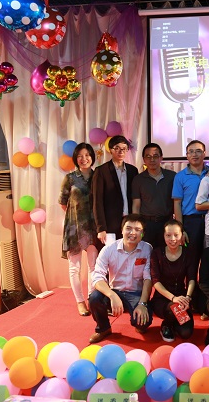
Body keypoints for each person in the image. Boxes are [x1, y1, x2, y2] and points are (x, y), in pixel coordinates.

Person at [87, 214, 153, 343]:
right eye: (128, 228)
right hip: (115, 290)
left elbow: (148, 278)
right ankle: (103, 328)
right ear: (121, 230)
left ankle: (137, 321)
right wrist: (112, 295)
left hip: (135, 293)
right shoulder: (108, 249)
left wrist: (142, 303)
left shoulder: (147, 249)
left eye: (137, 229)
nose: (132, 233)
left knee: (143, 323)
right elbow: (97, 276)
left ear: (143, 234)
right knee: (94, 298)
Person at [59, 142, 98, 317]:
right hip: (74, 227)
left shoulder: (98, 176)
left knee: (93, 266)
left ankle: (92, 298)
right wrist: (76, 217)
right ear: (76, 158)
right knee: (74, 267)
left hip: (94, 228)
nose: (84, 159)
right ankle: (80, 301)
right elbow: (63, 202)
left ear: (92, 157)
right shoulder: (70, 178)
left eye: (87, 155)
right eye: (80, 156)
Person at [150, 220, 197, 342]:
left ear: (182, 235)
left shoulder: (188, 253)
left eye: (176, 235)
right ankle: (166, 324)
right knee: (173, 308)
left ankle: (174, 322)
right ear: (164, 236)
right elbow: (156, 281)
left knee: (186, 333)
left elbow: (192, 279)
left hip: (182, 298)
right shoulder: (157, 253)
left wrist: (188, 297)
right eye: (168, 235)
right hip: (162, 298)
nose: (172, 239)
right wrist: (173, 298)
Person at [92, 135, 138, 244]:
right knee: (112, 252)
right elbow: (97, 201)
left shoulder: (133, 171)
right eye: (117, 148)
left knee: (129, 251)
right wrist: (101, 228)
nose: (121, 151)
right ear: (110, 150)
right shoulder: (101, 171)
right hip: (110, 223)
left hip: (129, 221)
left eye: (124, 148)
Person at [131, 143, 176, 248]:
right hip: (147, 224)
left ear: (161, 158)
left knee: (166, 252)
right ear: (144, 159)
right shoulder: (138, 179)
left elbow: (177, 202)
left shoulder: (172, 176)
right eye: (148, 156)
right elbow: (136, 205)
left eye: (155, 156)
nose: (152, 160)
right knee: (146, 253)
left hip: (167, 223)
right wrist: (137, 226)